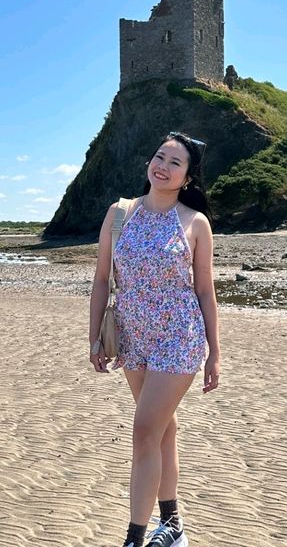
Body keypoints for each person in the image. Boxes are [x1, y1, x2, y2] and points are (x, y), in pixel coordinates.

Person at [89, 131, 221, 547]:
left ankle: (134, 537)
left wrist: (215, 353)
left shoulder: (194, 222)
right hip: (132, 335)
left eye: (174, 162)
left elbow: (205, 290)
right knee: (163, 430)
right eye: (159, 157)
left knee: (145, 429)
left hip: (178, 335)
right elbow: (100, 280)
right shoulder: (119, 214)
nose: (162, 166)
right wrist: (94, 338)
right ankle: (173, 522)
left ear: (188, 177)